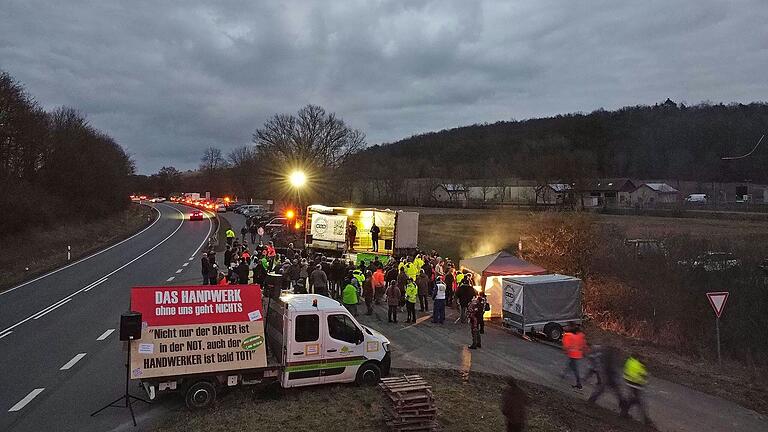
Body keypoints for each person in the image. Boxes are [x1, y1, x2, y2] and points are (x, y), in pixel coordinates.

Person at [621, 354, 651, 425]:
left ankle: (624, 412)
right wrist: (645, 380)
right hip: (636, 385)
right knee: (639, 402)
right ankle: (646, 419)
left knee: (633, 400)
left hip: (629, 383)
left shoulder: (630, 362)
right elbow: (643, 377)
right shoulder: (640, 366)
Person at [562, 325, 586, 389]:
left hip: (573, 354)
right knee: (570, 364)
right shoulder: (581, 336)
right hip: (578, 354)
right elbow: (583, 345)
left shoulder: (573, 336)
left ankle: (579, 384)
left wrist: (566, 350)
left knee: (575, 369)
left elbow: (568, 345)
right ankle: (564, 374)